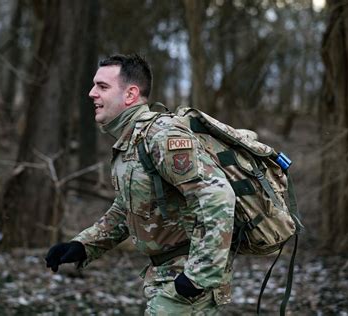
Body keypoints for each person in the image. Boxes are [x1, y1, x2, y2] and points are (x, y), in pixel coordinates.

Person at [45, 54, 236, 315]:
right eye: (94, 85)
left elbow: (218, 196)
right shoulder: (131, 142)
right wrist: (82, 245)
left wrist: (199, 275)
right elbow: (128, 209)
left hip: (188, 277)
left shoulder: (162, 136)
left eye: (102, 87)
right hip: (165, 274)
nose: (92, 94)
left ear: (130, 94)